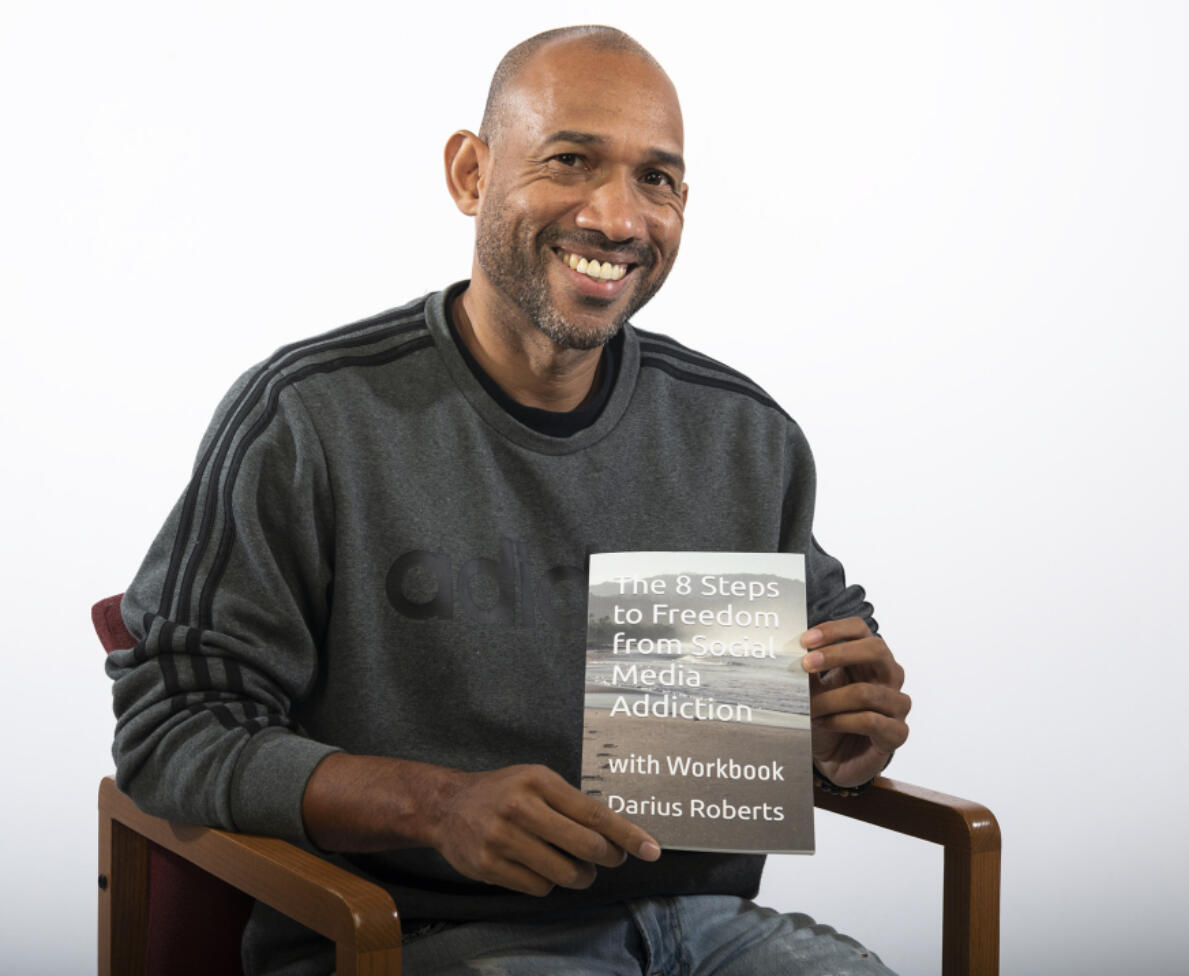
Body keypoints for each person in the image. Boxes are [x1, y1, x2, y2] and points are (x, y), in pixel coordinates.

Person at [107, 24, 911, 976]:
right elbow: (171, 729)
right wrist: (435, 805)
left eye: (656, 180)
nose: (618, 218)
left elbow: (833, 695)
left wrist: (845, 736)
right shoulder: (311, 418)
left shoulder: (742, 435)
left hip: (709, 930)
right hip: (416, 937)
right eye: (570, 160)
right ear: (470, 174)